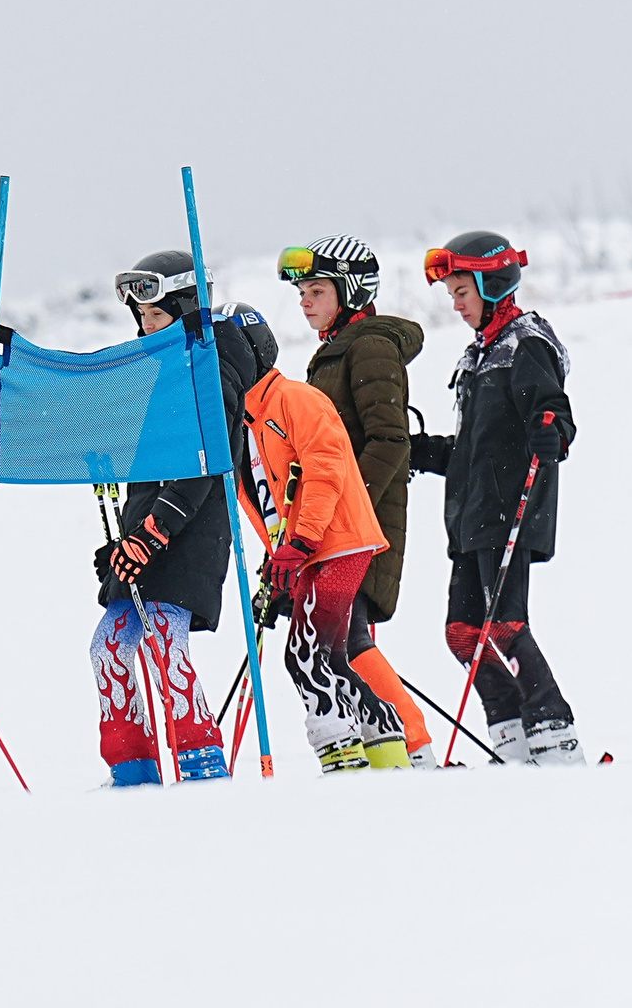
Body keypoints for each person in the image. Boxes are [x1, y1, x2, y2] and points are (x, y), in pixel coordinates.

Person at [419, 231, 582, 767]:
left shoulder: (524, 343)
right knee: (463, 633)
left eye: (462, 291)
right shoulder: (479, 354)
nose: (456, 303)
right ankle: (511, 737)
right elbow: (473, 448)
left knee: (506, 625)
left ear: (492, 283)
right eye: (451, 294)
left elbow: (553, 412)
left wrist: (552, 430)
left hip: (509, 510)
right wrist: (421, 451)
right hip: (469, 517)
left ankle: (552, 728)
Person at [89, 250, 252, 786]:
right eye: (140, 318)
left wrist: (154, 533)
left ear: (185, 312)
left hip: (192, 532)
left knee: (162, 640)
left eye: (157, 317)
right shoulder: (158, 378)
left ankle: (200, 758)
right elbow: (149, 472)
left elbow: (199, 471)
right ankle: (132, 767)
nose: (146, 328)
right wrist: (125, 542)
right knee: (108, 645)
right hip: (147, 536)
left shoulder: (209, 375)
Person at [282, 236, 436, 766]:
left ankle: (410, 744)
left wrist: (346, 511)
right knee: (341, 634)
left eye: (316, 289)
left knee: (344, 634)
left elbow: (390, 438)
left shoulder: (369, 345)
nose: (305, 300)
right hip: (338, 517)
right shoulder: (336, 350)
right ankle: (391, 747)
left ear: (349, 291)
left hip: (363, 518)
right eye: (302, 290)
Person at [238, 355, 408, 771]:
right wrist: (279, 564)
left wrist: (301, 541)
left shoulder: (294, 398)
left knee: (305, 654)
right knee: (328, 657)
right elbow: (272, 504)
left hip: (334, 542)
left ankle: (342, 754)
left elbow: (325, 469)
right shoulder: (246, 424)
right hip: (309, 551)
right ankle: (387, 744)